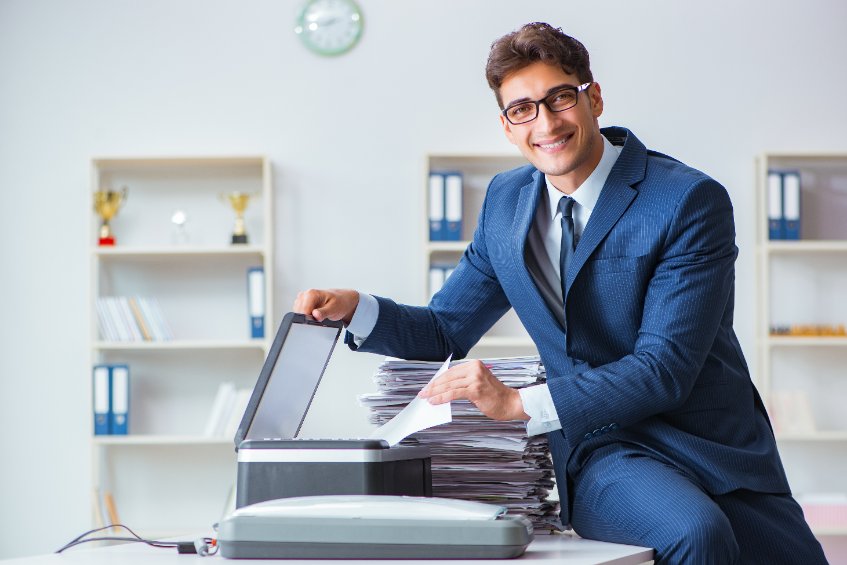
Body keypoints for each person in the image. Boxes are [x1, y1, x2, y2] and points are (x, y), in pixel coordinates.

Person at [293, 22, 827, 564]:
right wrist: (358, 310)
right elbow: (444, 328)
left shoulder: (687, 200)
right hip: (607, 446)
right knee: (696, 534)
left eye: (560, 99)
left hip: (714, 447)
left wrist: (517, 404)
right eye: (523, 109)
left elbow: (664, 367)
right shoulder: (505, 203)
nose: (545, 123)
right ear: (507, 126)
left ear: (593, 98)